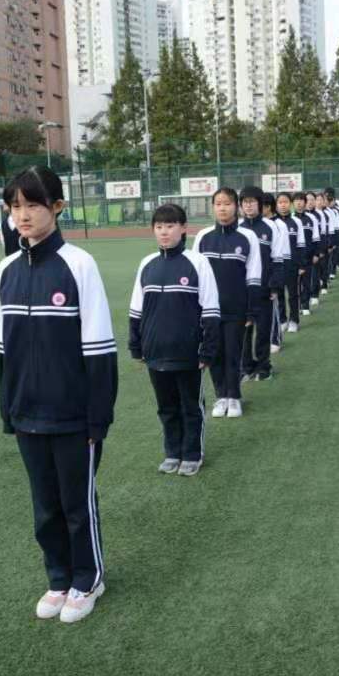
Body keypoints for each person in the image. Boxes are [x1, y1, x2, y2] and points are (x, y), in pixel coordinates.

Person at [0, 166, 118, 623]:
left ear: (58, 207)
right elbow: (3, 350)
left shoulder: (79, 264)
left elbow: (99, 349)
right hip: (27, 413)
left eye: (33, 205)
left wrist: (97, 418)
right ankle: (59, 578)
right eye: (15, 206)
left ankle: (88, 579)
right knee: (45, 506)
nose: (23, 215)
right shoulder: (6, 269)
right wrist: (8, 410)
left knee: (75, 505)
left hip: (72, 416)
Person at [129, 204, 220, 477]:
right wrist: (136, 345)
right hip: (156, 352)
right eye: (159, 227)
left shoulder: (197, 262)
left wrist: (207, 349)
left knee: (190, 407)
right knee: (166, 408)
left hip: (188, 352)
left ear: (183, 229)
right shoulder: (147, 264)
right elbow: (136, 310)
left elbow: (211, 310)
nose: (164, 232)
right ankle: (172, 453)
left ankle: (192, 454)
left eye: (170, 226)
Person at [192, 187, 261, 418]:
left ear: (236, 207)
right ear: (213, 207)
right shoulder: (203, 236)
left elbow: (254, 275)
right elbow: (195, 274)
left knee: (233, 352)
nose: (223, 208)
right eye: (218, 204)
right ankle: (221, 396)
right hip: (208, 309)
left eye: (228, 203)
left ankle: (234, 397)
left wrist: (251, 310)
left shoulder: (248, 237)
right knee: (214, 353)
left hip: (236, 307)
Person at [239, 186, 284, 381]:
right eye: (245, 202)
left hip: (265, 289)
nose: (248, 205)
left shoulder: (271, 226)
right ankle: (246, 366)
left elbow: (278, 258)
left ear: (260, 204)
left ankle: (264, 366)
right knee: (244, 330)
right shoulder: (237, 228)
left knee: (263, 330)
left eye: (252, 202)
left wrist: (274, 286)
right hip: (243, 290)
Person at [262, 192, 290, 354]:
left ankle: (276, 336)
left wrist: (280, 271)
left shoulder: (279, 225)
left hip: (276, 267)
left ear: (269, 207)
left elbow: (283, 250)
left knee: (276, 300)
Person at [275, 191, 306, 333]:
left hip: (292, 264)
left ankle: (294, 320)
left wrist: (301, 265)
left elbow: (301, 245)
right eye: (280, 202)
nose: (283, 205)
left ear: (290, 204)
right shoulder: (273, 223)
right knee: (279, 293)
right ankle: (282, 320)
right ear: (276, 205)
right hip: (277, 265)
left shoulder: (296, 222)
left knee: (293, 294)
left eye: (285, 202)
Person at [293, 192, 320, 316]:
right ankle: (296, 307)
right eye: (296, 200)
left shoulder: (311, 218)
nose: (299, 203)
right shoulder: (291, 219)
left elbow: (316, 238)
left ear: (305, 203)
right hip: (293, 257)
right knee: (294, 284)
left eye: (301, 200)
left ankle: (305, 305)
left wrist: (316, 254)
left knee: (306, 282)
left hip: (308, 256)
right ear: (293, 203)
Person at [305, 191, 324, 306]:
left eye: (312, 199)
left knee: (315, 271)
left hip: (315, 248)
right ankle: (305, 298)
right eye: (308, 200)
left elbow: (322, 234)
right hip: (303, 251)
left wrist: (319, 251)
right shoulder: (299, 216)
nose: (310, 202)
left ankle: (314, 294)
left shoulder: (318, 215)